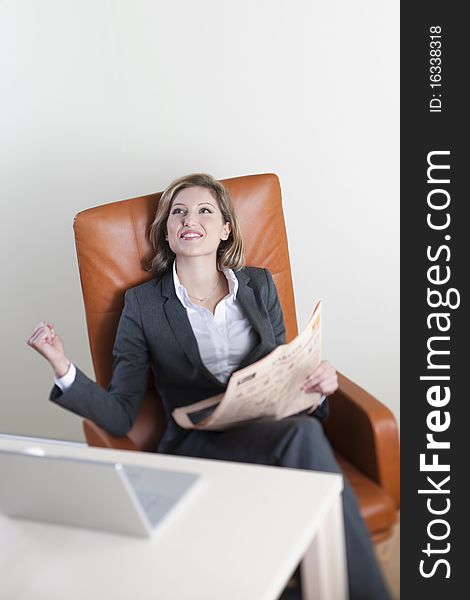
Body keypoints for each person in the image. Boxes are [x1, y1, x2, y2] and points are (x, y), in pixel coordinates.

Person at [27, 173, 391, 599]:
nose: (189, 218)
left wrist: (315, 383)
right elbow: (121, 411)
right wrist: (62, 366)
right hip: (201, 445)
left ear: (225, 229)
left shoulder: (258, 285)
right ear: (167, 231)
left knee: (304, 432)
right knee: (304, 439)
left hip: (268, 428)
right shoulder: (143, 305)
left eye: (204, 210)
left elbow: (282, 365)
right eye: (178, 212)